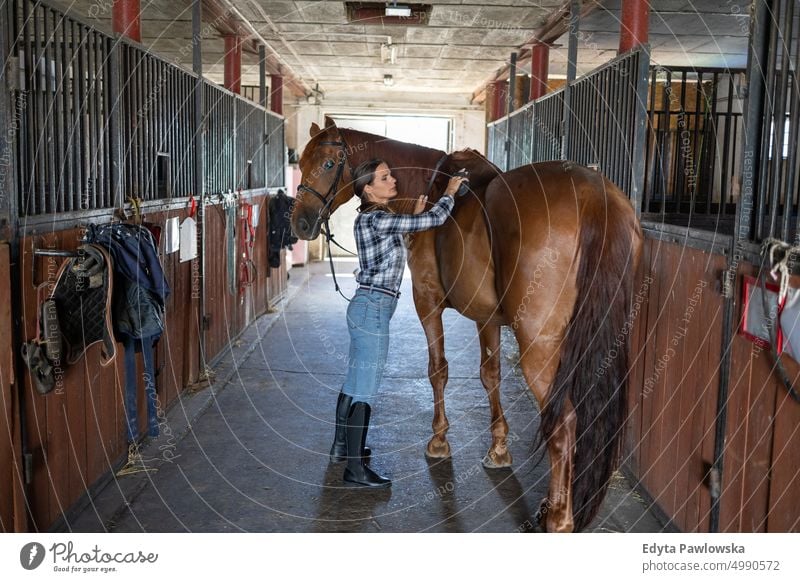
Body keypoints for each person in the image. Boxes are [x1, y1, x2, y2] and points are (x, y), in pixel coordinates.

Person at [328, 158, 466, 488]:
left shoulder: (377, 219)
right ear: (368, 189)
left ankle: (342, 449)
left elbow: (395, 248)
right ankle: (355, 470)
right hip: (372, 309)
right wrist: (449, 192)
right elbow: (437, 218)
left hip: (370, 307)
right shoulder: (376, 218)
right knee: (366, 389)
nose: (393, 181)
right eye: (385, 178)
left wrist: (414, 219)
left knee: (353, 382)